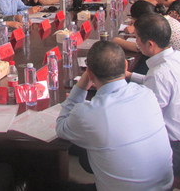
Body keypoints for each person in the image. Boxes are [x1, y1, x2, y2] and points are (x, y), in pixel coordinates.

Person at [56, 41, 173, 191]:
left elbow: (61, 127)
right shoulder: (146, 93)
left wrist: (82, 85)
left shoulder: (88, 114)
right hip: (165, 187)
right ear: (125, 66)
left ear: (89, 73)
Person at [129, 14, 180, 177]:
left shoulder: (159, 74)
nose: (136, 42)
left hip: (177, 151)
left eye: (137, 38)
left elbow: (146, 120)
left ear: (150, 44)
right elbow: (161, 84)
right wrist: (130, 76)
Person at [113, 0, 180, 57]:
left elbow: (139, 47)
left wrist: (117, 40)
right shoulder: (163, 19)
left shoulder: (158, 26)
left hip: (173, 64)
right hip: (178, 60)